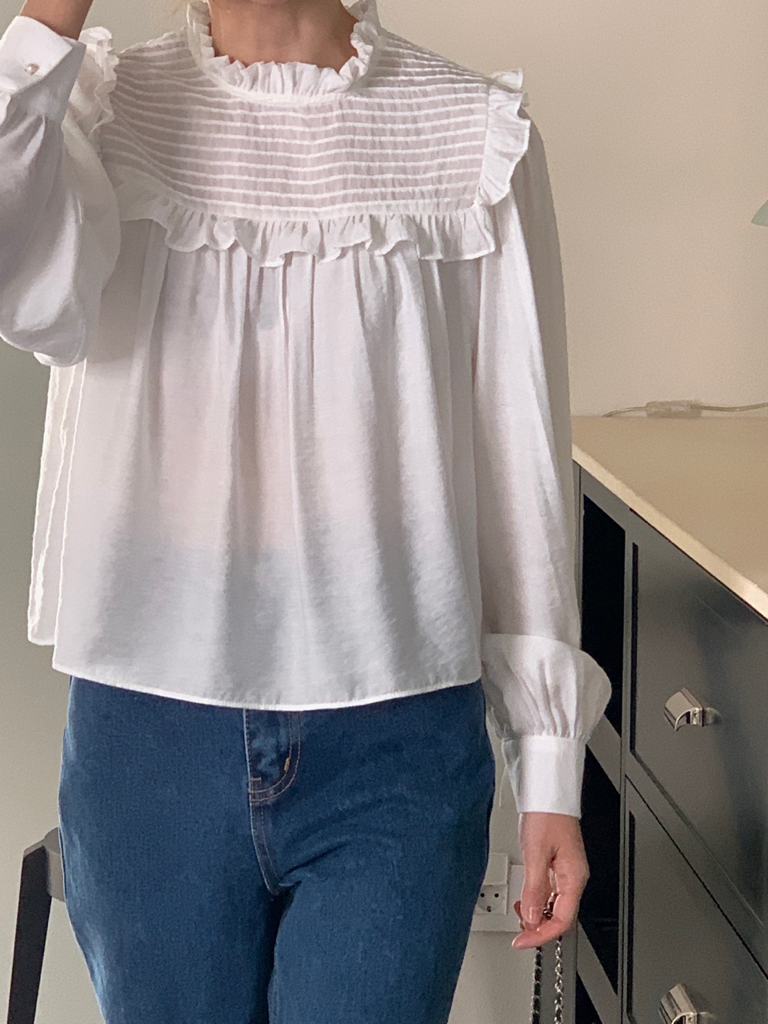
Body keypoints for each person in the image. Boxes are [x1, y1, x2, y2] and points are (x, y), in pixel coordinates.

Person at [0, 0, 612, 1018]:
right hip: (151, 725)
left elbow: (520, 455)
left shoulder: (473, 136)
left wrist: (547, 764)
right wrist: (46, 25)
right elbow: (25, 297)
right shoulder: (100, 110)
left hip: (397, 733)